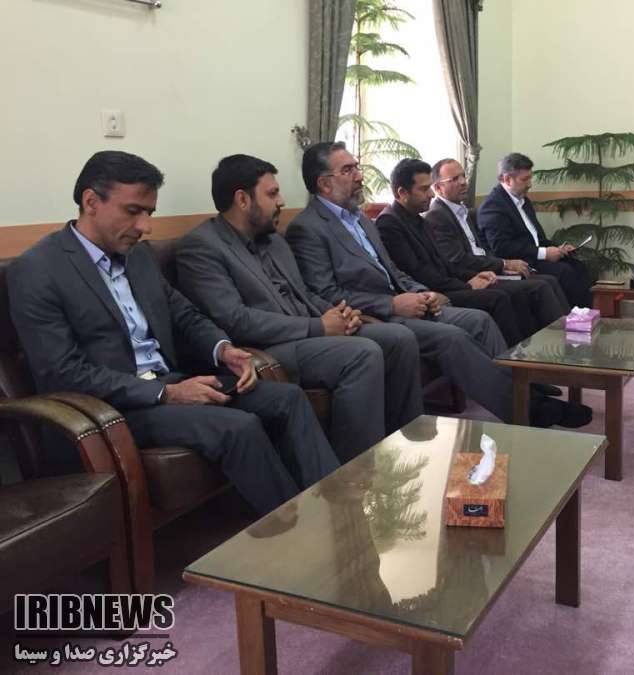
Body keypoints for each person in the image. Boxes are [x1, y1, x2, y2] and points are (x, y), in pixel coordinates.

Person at [8, 150, 339, 515]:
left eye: (149, 213)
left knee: (287, 399)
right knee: (237, 427)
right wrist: (165, 393)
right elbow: (62, 373)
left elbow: (183, 315)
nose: (145, 226)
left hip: (170, 382)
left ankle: (331, 509)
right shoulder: (38, 270)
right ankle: (297, 534)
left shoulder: (137, 255)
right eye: (133, 211)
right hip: (114, 409)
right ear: (91, 202)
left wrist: (223, 349)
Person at [285, 141, 592, 428]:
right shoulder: (307, 228)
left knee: (479, 320)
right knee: (452, 337)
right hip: (373, 316)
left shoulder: (361, 220)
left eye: (356, 167)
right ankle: (528, 411)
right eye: (348, 170)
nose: (359, 175)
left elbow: (392, 271)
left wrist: (422, 292)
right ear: (324, 183)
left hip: (410, 300)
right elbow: (325, 294)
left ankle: (526, 392)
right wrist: (392, 303)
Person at [175, 154, 423, 462]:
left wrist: (340, 313)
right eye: (272, 194)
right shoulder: (202, 247)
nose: (281, 201)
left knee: (398, 338)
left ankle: (403, 443)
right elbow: (235, 320)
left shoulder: (273, 241)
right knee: (362, 354)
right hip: (265, 348)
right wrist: (319, 326)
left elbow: (304, 294)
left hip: (308, 334)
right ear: (242, 199)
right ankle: (357, 470)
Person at [376, 158, 533, 347]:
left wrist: (473, 276)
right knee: (498, 298)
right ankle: (513, 358)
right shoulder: (389, 223)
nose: (431, 195)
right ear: (402, 193)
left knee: (514, 289)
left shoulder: (419, 219)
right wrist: (466, 286)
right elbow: (417, 271)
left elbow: (444, 263)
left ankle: (526, 353)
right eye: (424, 189)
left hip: (446, 284)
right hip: (430, 293)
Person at [424, 157, 570, 320]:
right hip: (471, 276)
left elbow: (482, 249)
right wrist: (502, 264)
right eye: (454, 179)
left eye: (463, 176)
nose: (463, 182)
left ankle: (571, 326)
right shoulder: (437, 216)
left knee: (548, 280)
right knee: (538, 287)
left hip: (488, 269)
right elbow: (457, 259)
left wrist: (502, 266)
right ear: (438, 188)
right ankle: (557, 332)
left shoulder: (462, 211)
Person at [478, 152, 594, 308]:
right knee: (564, 271)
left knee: (579, 267)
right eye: (524, 179)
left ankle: (585, 315)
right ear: (507, 179)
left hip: (533, 256)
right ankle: (570, 318)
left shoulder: (523, 201)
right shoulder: (493, 206)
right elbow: (501, 247)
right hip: (518, 263)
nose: (530, 184)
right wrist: (545, 253)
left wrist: (558, 248)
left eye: (530, 178)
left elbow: (537, 239)